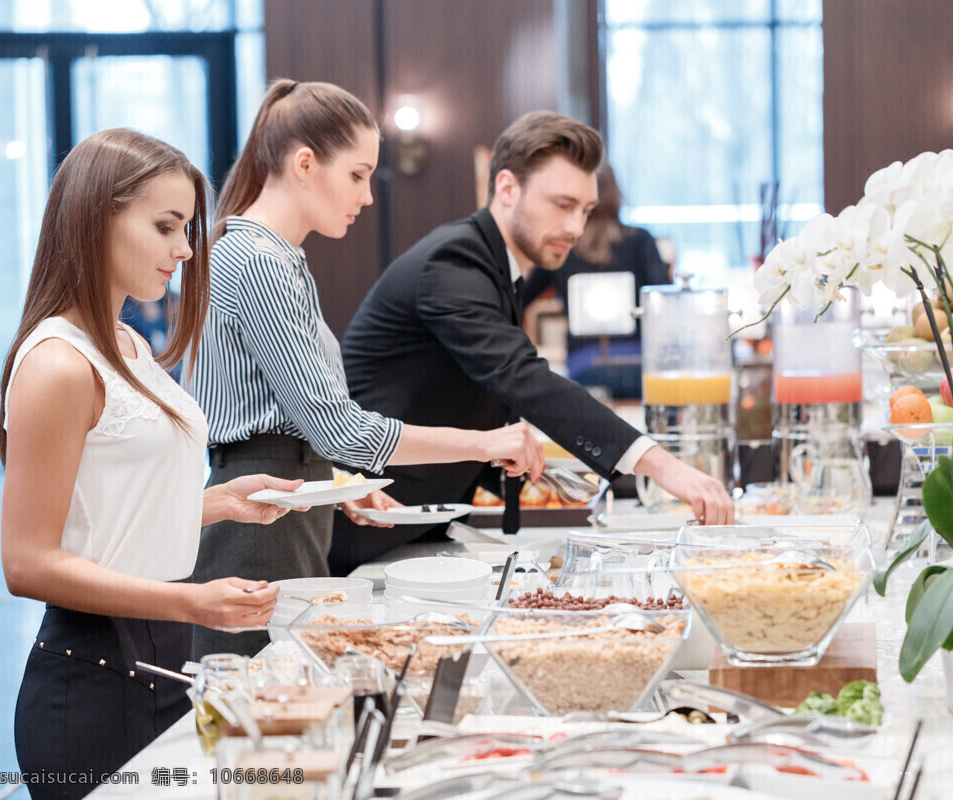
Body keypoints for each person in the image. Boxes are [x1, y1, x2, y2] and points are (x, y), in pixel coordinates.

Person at [188, 80, 544, 658]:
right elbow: (340, 429)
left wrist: (335, 486)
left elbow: (304, 425)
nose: (369, 196)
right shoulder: (258, 262)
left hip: (284, 502)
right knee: (260, 719)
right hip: (255, 520)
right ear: (305, 164)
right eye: (357, 175)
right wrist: (484, 442)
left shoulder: (275, 256)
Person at [0, 129, 304, 799]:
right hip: (91, 687)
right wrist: (191, 601)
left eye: (188, 226)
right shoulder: (57, 364)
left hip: (163, 670)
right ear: (94, 217)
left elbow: (107, 516)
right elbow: (28, 562)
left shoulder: (130, 342)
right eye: (166, 225)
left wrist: (219, 502)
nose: (187, 249)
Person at [332, 111, 735, 576]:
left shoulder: (497, 263)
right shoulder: (454, 259)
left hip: (416, 527)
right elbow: (523, 378)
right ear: (507, 188)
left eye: (584, 210)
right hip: (364, 524)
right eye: (562, 205)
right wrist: (668, 468)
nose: (576, 227)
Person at [521, 162, 671, 399]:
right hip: (639, 365)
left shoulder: (561, 248)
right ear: (616, 193)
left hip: (584, 367)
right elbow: (664, 302)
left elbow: (519, 300)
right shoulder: (641, 241)